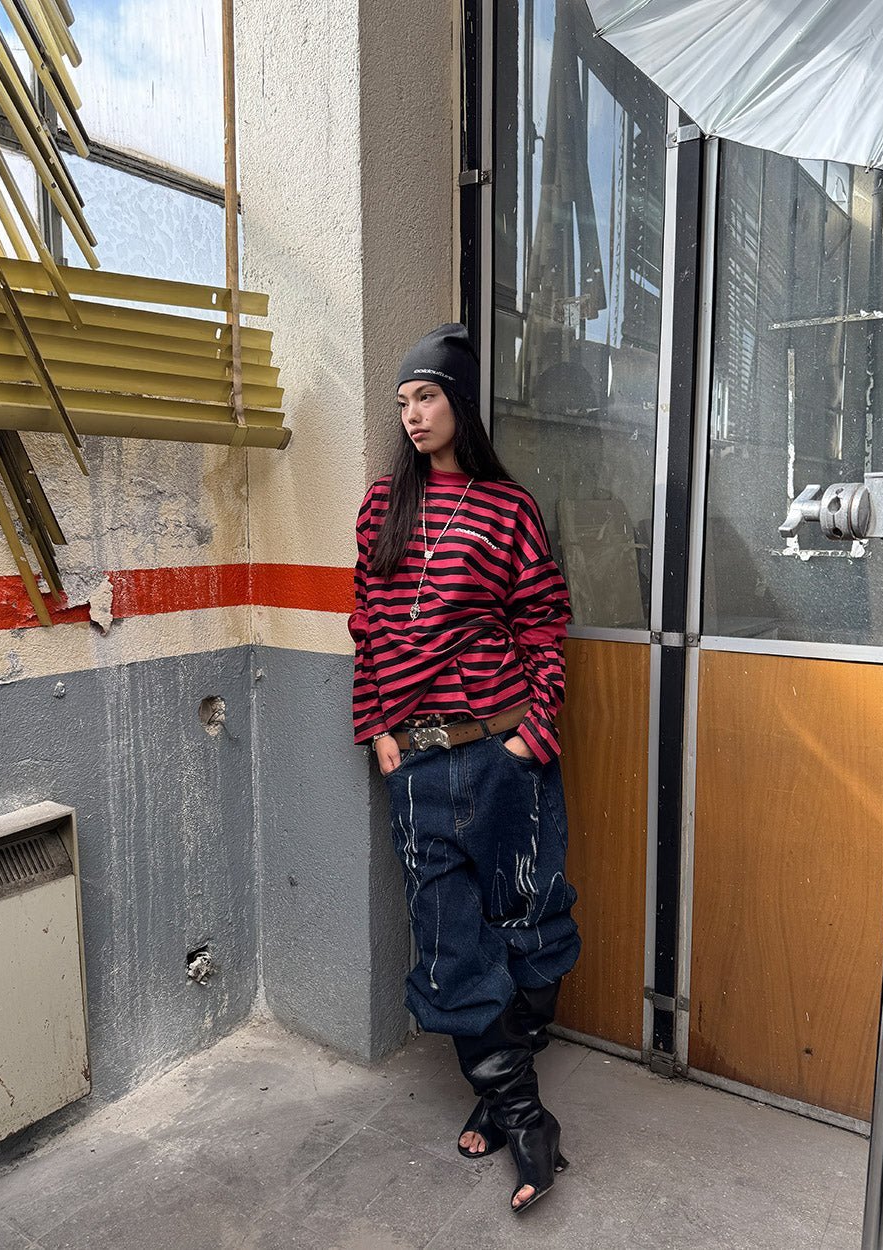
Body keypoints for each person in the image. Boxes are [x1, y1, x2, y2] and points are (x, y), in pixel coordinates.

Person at [348, 324, 581, 1213]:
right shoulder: (381, 506)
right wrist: (377, 727)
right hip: (418, 761)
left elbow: (543, 626)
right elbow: (367, 625)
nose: (412, 415)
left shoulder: (507, 508)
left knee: (529, 924)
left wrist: (532, 735)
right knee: (449, 942)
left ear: (460, 403)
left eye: (427, 397)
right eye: (403, 402)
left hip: (503, 749)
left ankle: (498, 1100)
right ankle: (527, 1119)